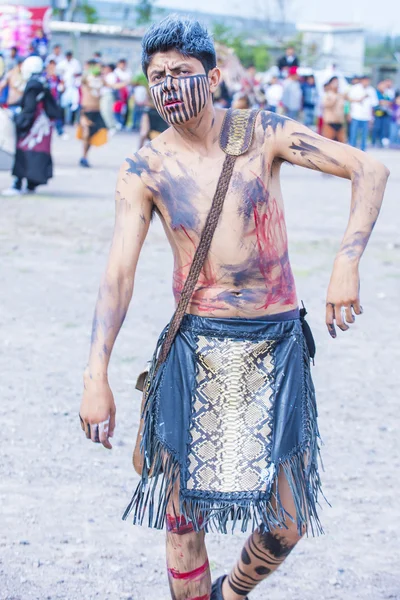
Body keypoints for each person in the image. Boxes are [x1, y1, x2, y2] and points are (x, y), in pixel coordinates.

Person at [79, 15, 389, 600]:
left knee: (286, 521)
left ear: (214, 76)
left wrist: (346, 263)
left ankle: (232, 592)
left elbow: (368, 168)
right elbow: (118, 272)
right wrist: (95, 375)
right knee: (181, 514)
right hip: (196, 344)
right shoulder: (144, 167)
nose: (169, 85)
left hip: (273, 344)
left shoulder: (261, 133)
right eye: (157, 75)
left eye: (182, 72)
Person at [2, 56, 62, 196]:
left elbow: (29, 107)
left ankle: (18, 184)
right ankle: (31, 184)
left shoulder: (33, 84)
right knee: (35, 154)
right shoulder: (42, 82)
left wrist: (20, 122)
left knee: (23, 152)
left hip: (33, 126)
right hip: (42, 126)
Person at [77, 59, 108, 168]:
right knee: (86, 134)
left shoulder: (100, 80)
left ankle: (84, 156)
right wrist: (89, 71)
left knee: (91, 136)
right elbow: (83, 79)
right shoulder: (87, 79)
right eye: (98, 67)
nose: (100, 69)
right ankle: (84, 157)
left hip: (96, 112)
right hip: (85, 111)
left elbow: (112, 86)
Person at [347, 75, 378, 151]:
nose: (366, 82)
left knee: (364, 135)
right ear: (361, 81)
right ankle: (352, 149)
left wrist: (372, 117)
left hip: (366, 116)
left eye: (367, 81)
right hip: (356, 114)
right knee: (354, 133)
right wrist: (349, 113)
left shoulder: (371, 90)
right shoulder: (355, 88)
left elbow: (373, 104)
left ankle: (363, 150)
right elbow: (349, 100)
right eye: (364, 81)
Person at [57, 50, 81, 125]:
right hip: (65, 87)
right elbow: (59, 75)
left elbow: (79, 74)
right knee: (65, 105)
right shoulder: (62, 63)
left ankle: (76, 121)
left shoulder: (76, 63)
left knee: (75, 104)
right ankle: (67, 121)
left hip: (74, 86)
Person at [322, 76, 346, 142]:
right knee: (328, 144)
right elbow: (326, 105)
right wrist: (335, 98)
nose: (337, 84)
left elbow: (345, 106)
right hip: (330, 123)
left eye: (337, 82)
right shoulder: (327, 94)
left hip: (340, 123)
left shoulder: (341, 95)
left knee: (341, 145)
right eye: (334, 82)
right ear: (330, 84)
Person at [371, 80, 391, 148]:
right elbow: (379, 102)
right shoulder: (375, 92)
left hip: (385, 113)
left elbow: (389, 101)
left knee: (384, 128)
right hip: (378, 113)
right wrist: (384, 102)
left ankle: (381, 142)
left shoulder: (385, 93)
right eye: (382, 85)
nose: (384, 87)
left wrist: (385, 102)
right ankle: (373, 142)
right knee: (377, 127)